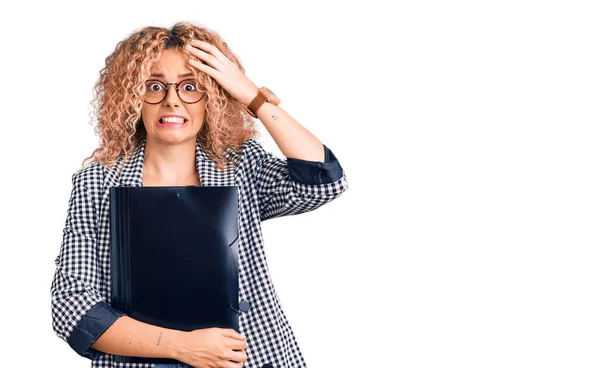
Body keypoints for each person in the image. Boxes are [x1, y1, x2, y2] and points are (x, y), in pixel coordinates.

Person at [50, 21, 348, 368]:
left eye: (191, 86)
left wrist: (253, 96)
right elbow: (72, 307)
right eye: (155, 86)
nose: (172, 100)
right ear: (133, 97)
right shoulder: (97, 182)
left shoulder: (239, 166)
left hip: (253, 358)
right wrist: (181, 346)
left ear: (213, 95)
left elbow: (323, 182)